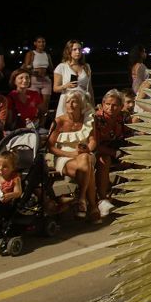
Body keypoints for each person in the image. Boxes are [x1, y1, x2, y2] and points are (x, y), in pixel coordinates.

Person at [48, 89, 98, 222]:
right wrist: (70, 153)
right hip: (64, 155)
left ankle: (81, 199)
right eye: (68, 102)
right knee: (88, 171)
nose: (70, 105)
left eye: (74, 102)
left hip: (84, 153)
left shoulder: (88, 119)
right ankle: (92, 205)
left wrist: (87, 149)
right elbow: (51, 147)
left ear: (81, 105)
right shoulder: (59, 121)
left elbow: (93, 140)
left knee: (86, 159)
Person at [93, 89, 128, 217]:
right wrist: (116, 153)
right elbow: (95, 145)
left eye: (114, 105)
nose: (110, 108)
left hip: (118, 149)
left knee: (137, 159)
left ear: (120, 106)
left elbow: (130, 136)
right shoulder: (96, 118)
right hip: (101, 151)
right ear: (103, 104)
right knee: (104, 160)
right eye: (107, 104)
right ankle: (103, 199)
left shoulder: (123, 117)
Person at [53, 40, 93, 118]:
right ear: (68, 51)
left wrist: (92, 104)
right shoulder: (62, 67)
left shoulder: (86, 67)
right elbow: (55, 88)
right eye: (74, 49)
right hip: (67, 101)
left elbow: (90, 88)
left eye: (79, 49)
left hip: (82, 101)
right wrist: (66, 86)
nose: (78, 52)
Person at [23, 35, 53, 113]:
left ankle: (42, 124)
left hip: (45, 80)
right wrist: (33, 72)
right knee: (34, 103)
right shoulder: (31, 53)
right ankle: (34, 123)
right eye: (39, 42)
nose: (41, 44)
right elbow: (26, 68)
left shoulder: (47, 55)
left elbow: (51, 69)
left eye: (43, 42)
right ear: (35, 43)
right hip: (34, 80)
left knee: (45, 104)